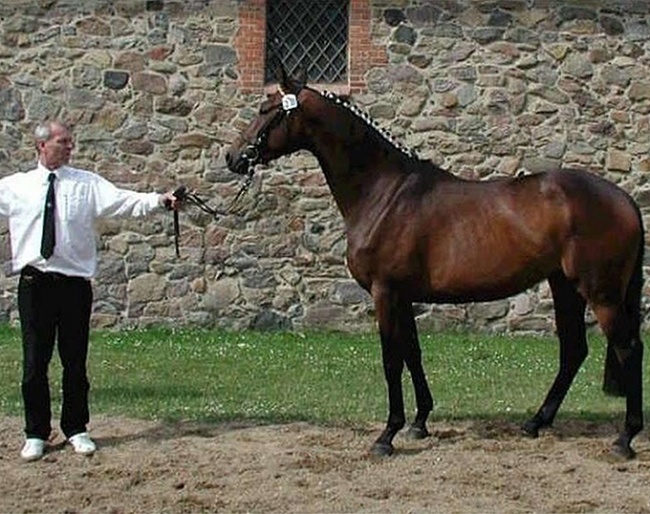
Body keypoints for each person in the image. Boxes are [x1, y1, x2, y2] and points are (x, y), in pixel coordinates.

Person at [0, 120, 180, 461]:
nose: (70, 147)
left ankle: (76, 428)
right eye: (63, 142)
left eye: (70, 142)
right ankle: (35, 432)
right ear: (41, 146)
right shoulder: (15, 187)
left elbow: (123, 202)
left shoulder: (86, 184)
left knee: (74, 362)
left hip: (74, 286)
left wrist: (160, 201)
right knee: (34, 363)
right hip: (35, 284)